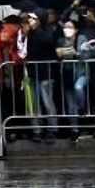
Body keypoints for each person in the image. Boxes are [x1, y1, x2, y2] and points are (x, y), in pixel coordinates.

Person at [24, 9, 64, 139]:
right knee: (35, 103)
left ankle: (52, 128)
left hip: (46, 73)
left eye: (33, 19)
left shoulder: (46, 34)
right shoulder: (29, 34)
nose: (30, 21)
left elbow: (50, 48)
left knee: (47, 102)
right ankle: (37, 130)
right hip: (33, 73)